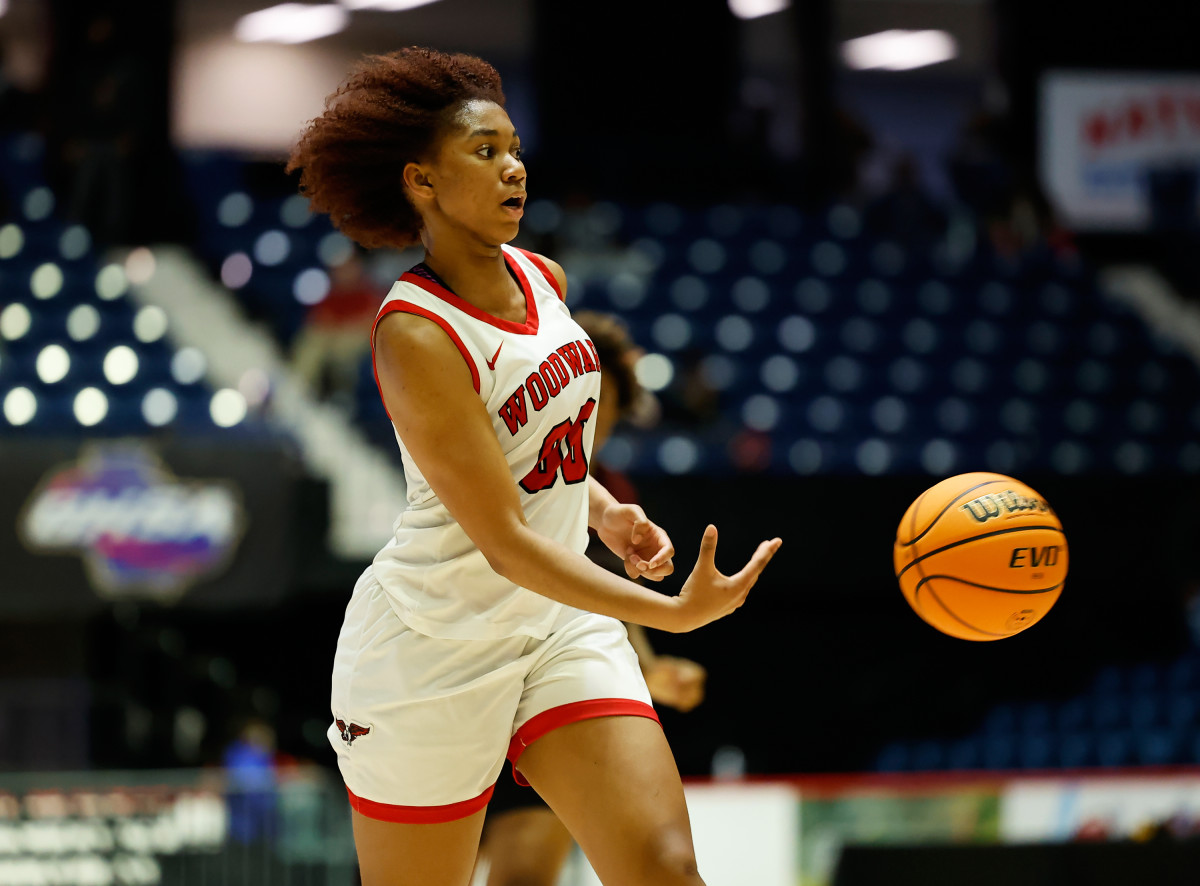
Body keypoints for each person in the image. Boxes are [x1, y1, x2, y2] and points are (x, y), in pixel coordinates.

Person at [286, 47, 781, 886]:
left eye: (514, 148)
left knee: (664, 870)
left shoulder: (541, 276)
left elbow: (529, 454)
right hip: (432, 647)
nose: (513, 168)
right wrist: (671, 612)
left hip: (554, 630)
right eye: (484, 152)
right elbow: (507, 541)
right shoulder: (415, 333)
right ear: (421, 182)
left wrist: (598, 510)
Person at [475, 309, 707, 886]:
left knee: (524, 875)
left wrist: (648, 668)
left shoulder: (610, 499)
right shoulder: (480, 446)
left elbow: (600, 600)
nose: (588, 435)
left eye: (603, 427)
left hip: (547, 684)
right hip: (462, 670)